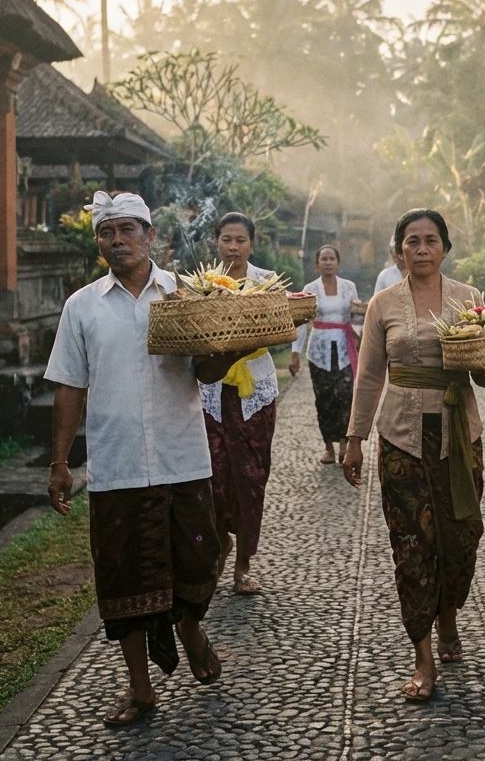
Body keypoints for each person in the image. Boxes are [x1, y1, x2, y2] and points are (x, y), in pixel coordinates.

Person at [46, 191, 245, 727]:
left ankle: (190, 629)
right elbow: (68, 384)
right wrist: (59, 462)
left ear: (150, 236)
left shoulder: (187, 295)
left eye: (128, 230)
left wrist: (228, 349)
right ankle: (140, 688)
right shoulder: (82, 306)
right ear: (99, 242)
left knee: (199, 561)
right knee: (121, 578)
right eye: (107, 233)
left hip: (183, 458)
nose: (117, 242)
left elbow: (205, 372)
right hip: (117, 466)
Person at [343, 209, 485, 702]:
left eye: (430, 240)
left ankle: (450, 617)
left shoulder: (470, 300)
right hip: (400, 440)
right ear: (398, 251)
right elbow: (370, 374)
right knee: (411, 546)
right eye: (411, 241)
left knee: (461, 539)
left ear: (445, 248)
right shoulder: (383, 304)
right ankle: (423, 656)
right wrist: (355, 437)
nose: (421, 249)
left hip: (460, 439)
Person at [200, 212, 280, 595]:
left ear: (252, 244)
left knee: (251, 477)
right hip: (213, 393)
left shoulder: (266, 284)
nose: (233, 247)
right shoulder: (203, 286)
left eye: (240, 240)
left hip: (255, 393)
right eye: (226, 239)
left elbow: (283, 326)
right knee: (213, 476)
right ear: (216, 242)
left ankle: (243, 565)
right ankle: (219, 547)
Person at [289, 245, 359, 464]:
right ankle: (328, 447)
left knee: (346, 396)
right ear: (316, 264)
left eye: (332, 259)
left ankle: (344, 444)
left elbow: (358, 316)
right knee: (324, 399)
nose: (328, 263)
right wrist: (294, 354)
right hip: (318, 350)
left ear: (338, 263)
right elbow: (301, 323)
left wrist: (362, 343)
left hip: (344, 348)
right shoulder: (310, 289)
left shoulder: (349, 287)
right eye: (324, 259)